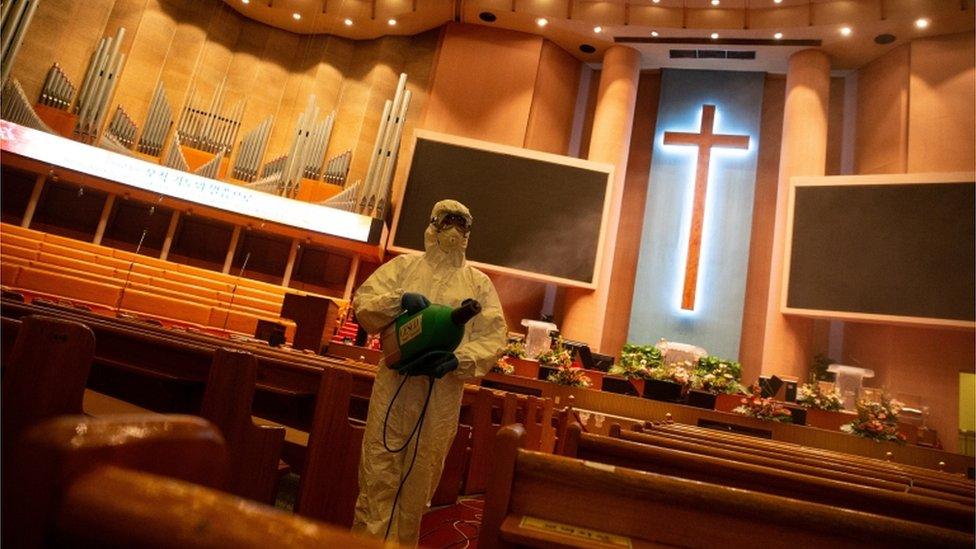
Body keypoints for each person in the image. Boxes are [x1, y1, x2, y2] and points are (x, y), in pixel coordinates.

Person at [351, 199, 507, 546]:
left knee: (419, 482)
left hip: (440, 394)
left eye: (461, 223)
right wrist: (399, 300)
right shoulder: (404, 268)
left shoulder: (477, 283)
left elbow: (493, 337)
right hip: (394, 386)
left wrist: (459, 360)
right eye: (447, 221)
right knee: (378, 476)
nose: (453, 230)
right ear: (433, 224)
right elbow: (363, 305)